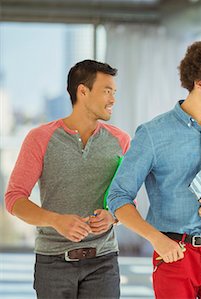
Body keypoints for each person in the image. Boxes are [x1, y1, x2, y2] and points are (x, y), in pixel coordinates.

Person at [106, 39, 201, 299]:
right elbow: (117, 197)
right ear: (199, 83)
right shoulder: (153, 134)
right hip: (174, 253)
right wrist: (156, 239)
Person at [4, 59, 129, 298]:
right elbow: (14, 199)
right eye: (107, 91)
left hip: (103, 262)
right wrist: (55, 220)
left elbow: (128, 199)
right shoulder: (40, 138)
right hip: (53, 263)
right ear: (83, 91)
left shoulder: (121, 141)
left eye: (114, 92)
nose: (113, 99)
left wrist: (112, 217)